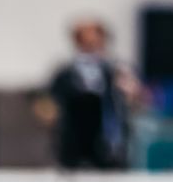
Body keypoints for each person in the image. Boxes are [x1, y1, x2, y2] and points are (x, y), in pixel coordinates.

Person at [49, 19, 140, 169]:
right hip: (74, 145)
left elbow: (133, 99)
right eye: (87, 44)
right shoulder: (65, 74)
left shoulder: (115, 71)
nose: (92, 48)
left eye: (96, 43)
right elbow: (50, 103)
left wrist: (130, 93)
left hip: (108, 144)